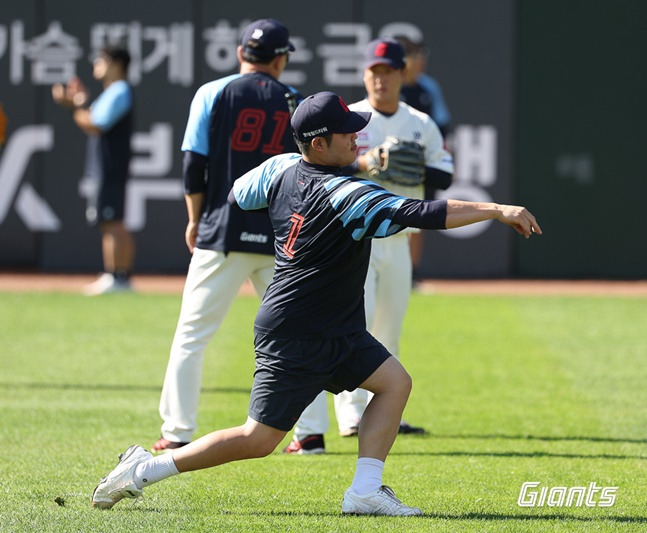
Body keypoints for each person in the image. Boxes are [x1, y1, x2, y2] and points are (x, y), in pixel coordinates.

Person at [92, 90, 541, 516]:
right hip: (299, 331)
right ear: (320, 144)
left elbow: (237, 194)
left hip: (334, 327)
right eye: (347, 133)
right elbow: (421, 214)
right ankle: (144, 469)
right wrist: (497, 210)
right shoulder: (348, 195)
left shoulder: (284, 168)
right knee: (258, 439)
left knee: (394, 384)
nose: (357, 137)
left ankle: (365, 490)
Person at [285, 38, 453, 454]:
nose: (380, 79)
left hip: (397, 240)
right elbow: (321, 162)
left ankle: (378, 406)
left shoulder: (420, 121)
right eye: (373, 72)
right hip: (357, 240)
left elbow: (444, 177)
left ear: (402, 75)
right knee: (352, 326)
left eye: (388, 71)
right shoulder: (351, 119)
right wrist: (367, 161)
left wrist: (413, 159)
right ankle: (351, 415)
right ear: (365, 75)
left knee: (390, 328)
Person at [150, 19, 302, 454]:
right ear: (280, 59)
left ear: (240, 54)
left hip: (223, 229)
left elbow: (193, 164)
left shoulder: (212, 93)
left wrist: (194, 218)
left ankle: (178, 430)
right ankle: (309, 434)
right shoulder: (293, 98)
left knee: (192, 334)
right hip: (280, 236)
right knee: (301, 334)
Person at [52, 45, 136, 295]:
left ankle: (116, 277)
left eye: (102, 60)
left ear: (117, 64)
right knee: (112, 222)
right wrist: (79, 103)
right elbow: (94, 117)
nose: (96, 65)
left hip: (109, 167)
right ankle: (120, 277)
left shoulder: (119, 90)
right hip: (107, 167)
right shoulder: (112, 92)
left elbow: (95, 124)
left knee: (112, 223)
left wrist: (74, 106)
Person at [395, 35, 452, 284]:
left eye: (421, 55)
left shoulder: (427, 87)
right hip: (386, 166)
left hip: (418, 165)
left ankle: (411, 273)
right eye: (416, 56)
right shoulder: (388, 85)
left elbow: (442, 125)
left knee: (417, 218)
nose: (421, 62)